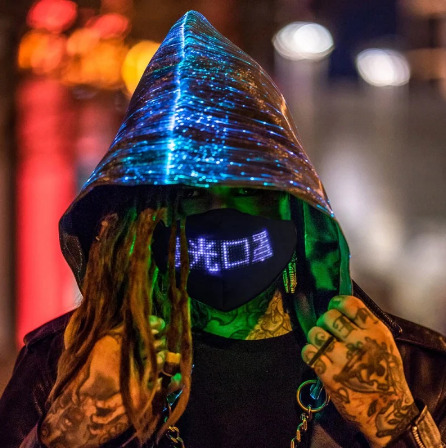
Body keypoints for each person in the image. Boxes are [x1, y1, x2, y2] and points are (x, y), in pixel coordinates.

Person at [1, 10, 445, 448]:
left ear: (293, 205)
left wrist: (398, 423)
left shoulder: (411, 370)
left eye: (249, 190)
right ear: (143, 216)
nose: (225, 214)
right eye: (194, 194)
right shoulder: (62, 366)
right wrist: (65, 434)